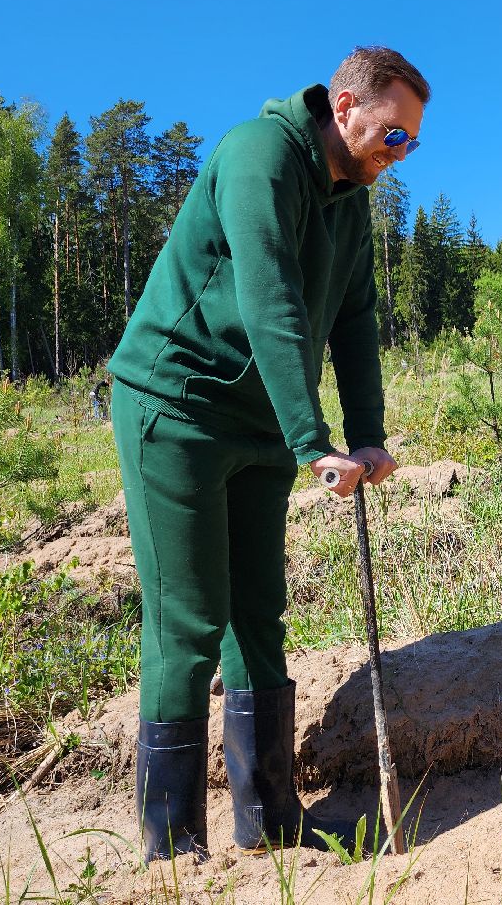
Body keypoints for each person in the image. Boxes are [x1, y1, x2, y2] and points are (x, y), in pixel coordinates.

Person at [107, 47, 428, 862]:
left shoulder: (349, 201)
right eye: (393, 136)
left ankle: (272, 823)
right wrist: (311, 442)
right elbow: (269, 297)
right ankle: (173, 849)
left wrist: (369, 437)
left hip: (254, 426)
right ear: (346, 105)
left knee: (258, 614)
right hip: (173, 410)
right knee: (189, 621)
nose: (399, 157)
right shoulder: (259, 155)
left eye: (411, 146)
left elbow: (353, 322)